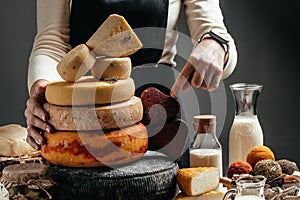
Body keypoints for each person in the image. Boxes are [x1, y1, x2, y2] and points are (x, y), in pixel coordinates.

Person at [25, 0, 237, 152]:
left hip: (157, 120)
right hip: (80, 122)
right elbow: (52, 41)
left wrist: (215, 45)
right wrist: (44, 91)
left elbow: (215, 32)